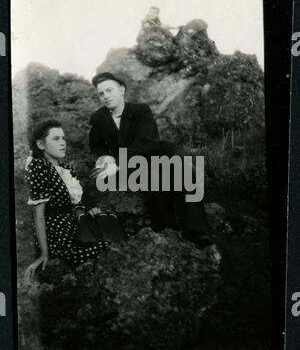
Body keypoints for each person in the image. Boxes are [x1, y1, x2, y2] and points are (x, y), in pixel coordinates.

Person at [89, 72, 213, 249]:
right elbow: (96, 146)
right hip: (130, 167)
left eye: (109, 90)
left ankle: (196, 231)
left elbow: (146, 141)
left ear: (122, 89)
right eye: (101, 93)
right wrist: (105, 159)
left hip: (149, 153)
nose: (105, 96)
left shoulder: (140, 110)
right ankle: (166, 226)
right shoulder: (98, 118)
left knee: (183, 165)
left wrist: (117, 162)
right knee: (155, 175)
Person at [25, 119, 105, 277]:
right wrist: (44, 253)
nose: (62, 143)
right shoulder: (39, 167)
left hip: (76, 230)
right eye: (56, 139)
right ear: (41, 144)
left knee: (117, 236)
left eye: (63, 138)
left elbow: (76, 207)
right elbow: (38, 215)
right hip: (57, 237)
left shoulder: (68, 170)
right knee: (105, 247)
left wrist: (87, 215)